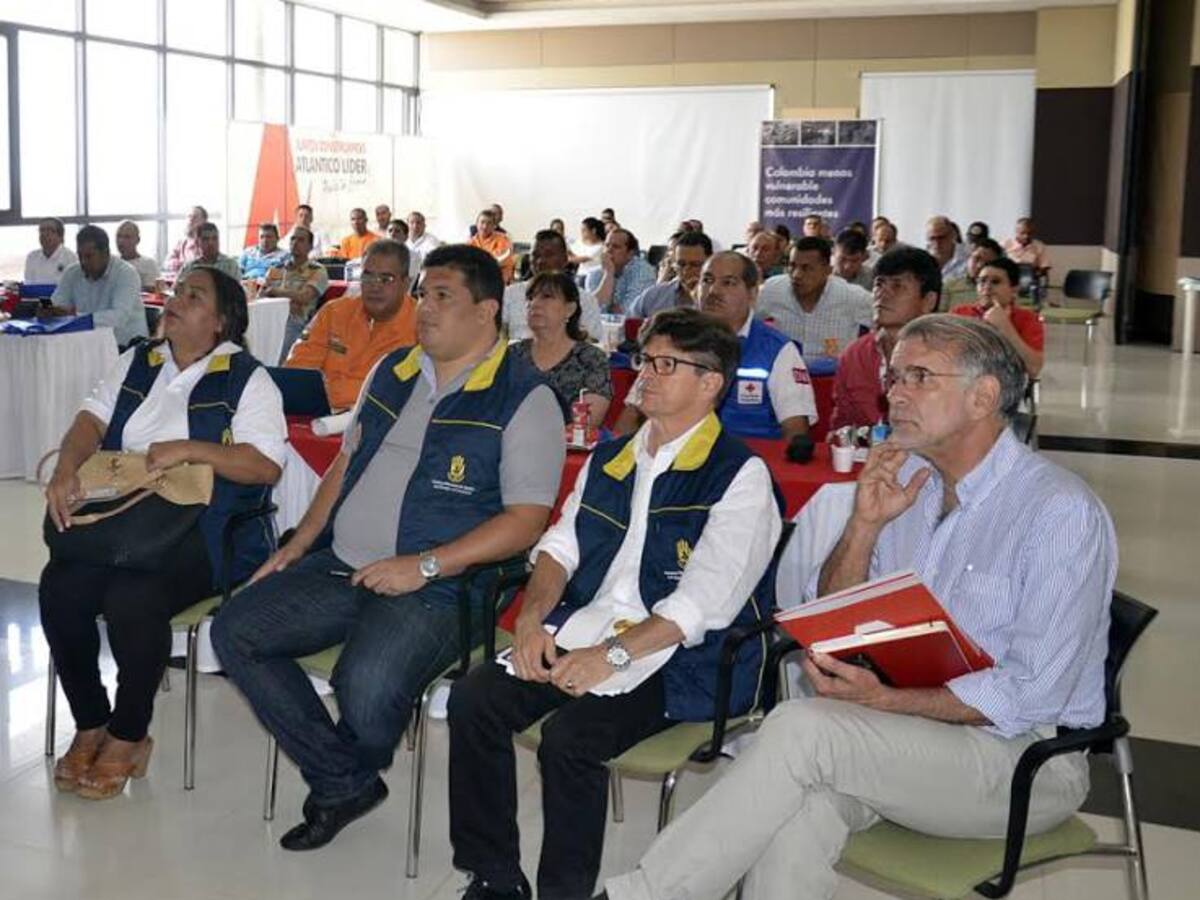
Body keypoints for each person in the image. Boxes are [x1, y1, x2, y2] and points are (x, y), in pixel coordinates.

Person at [605, 314, 1115, 900]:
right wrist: (865, 525)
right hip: (911, 733)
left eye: (918, 377)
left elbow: (1033, 694)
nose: (893, 394)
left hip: (1025, 759)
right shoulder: (912, 482)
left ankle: (642, 895)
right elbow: (836, 615)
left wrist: (886, 699)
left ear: (984, 397)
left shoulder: (1058, 512)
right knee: (797, 805)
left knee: (802, 730)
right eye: (894, 377)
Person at [212, 244, 564, 852]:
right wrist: (297, 545)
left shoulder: (524, 396)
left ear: (486, 311)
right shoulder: (393, 370)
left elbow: (527, 521)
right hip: (343, 564)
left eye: (442, 296)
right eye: (423, 294)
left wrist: (423, 565)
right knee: (235, 628)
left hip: (442, 586)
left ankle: (343, 770)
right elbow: (343, 466)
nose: (424, 308)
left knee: (366, 685)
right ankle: (343, 780)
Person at [448, 307, 782, 900]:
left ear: (711, 383)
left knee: (571, 741)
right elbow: (560, 546)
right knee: (475, 698)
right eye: (644, 360)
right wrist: (529, 619)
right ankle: (494, 873)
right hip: (591, 627)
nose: (645, 375)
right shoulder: (612, 456)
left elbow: (705, 603)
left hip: (684, 658)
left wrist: (613, 657)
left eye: (664, 364)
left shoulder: (740, 476)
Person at [41, 266, 285, 801]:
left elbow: (265, 467)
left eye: (194, 296)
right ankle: (91, 722)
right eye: (177, 291)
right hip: (122, 518)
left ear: (221, 322)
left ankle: (129, 735)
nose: (176, 300)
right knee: (59, 586)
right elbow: (90, 422)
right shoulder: (137, 359)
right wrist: (66, 468)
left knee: (134, 596)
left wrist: (194, 450)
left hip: (204, 529)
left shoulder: (248, 378)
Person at [284, 239, 417, 409]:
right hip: (320, 416)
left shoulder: (423, 325)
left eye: (386, 279)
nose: (374, 286)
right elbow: (297, 370)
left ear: (406, 284)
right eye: (367, 276)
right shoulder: (333, 312)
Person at [700, 251, 816, 440]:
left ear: (752, 293)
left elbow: (795, 428)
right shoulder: (676, 342)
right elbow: (636, 411)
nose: (713, 291)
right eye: (707, 280)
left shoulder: (778, 350)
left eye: (728, 283)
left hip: (750, 460)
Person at [830, 246, 940, 431]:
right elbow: (842, 423)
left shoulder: (946, 357)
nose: (882, 293)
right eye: (879, 284)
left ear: (928, 301)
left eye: (897, 286)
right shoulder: (855, 355)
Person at [509, 271, 612, 427]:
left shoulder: (591, 358)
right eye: (531, 298)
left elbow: (587, 423)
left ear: (570, 309)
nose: (534, 304)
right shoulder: (513, 354)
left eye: (547, 297)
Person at [756, 237, 873, 359]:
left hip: (835, 374)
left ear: (827, 270)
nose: (797, 275)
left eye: (806, 268)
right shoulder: (772, 290)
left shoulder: (854, 297)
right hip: (784, 371)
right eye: (792, 266)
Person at [45, 226, 147, 349]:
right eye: (80, 255)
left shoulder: (126, 273)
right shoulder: (72, 272)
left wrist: (77, 317)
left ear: (106, 253)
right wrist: (48, 310)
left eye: (89, 256)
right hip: (87, 345)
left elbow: (119, 317)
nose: (83, 262)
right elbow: (57, 303)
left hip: (125, 347)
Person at [952, 256, 1044, 377]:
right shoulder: (960, 313)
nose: (987, 287)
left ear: (1014, 290)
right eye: (982, 281)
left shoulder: (1028, 319)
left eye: (995, 281)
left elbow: (1034, 369)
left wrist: (1005, 327)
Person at [502, 230, 602, 341]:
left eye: (548, 255)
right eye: (535, 255)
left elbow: (594, 342)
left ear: (565, 260)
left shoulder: (585, 300)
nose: (540, 261)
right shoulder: (510, 295)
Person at [261, 225, 330, 364]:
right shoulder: (276, 269)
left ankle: (276, 372)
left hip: (298, 321)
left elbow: (305, 297)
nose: (295, 243)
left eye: (301, 240)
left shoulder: (317, 271)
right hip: (270, 318)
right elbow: (261, 295)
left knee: (284, 334)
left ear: (310, 246)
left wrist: (276, 292)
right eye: (293, 239)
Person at [628, 231, 712, 318]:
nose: (686, 271)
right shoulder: (655, 296)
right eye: (681, 264)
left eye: (695, 265)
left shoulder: (718, 299)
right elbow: (627, 323)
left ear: (710, 264)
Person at [585, 228, 657, 314]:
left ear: (630, 254)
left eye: (616, 247)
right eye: (607, 245)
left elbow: (629, 312)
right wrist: (608, 274)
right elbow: (592, 310)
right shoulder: (595, 273)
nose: (609, 250)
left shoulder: (643, 271)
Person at [940, 238, 1004, 311]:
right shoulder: (949, 287)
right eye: (977, 258)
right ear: (968, 258)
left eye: (987, 263)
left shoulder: (1003, 290)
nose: (980, 265)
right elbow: (938, 317)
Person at [25, 218, 78, 285]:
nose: (44, 234)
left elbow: (74, 287)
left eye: (50, 230)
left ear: (61, 237)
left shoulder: (71, 258)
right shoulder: (32, 257)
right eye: (42, 230)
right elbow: (28, 285)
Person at [469, 208, 516, 285]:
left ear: (494, 226)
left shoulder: (503, 240)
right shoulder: (471, 242)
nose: (484, 226)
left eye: (489, 223)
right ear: (477, 224)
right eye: (482, 222)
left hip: (498, 280)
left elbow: (498, 261)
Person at [115, 221, 161, 290]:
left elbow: (152, 290)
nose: (121, 241)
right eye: (119, 236)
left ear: (137, 240)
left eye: (127, 237)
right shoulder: (111, 263)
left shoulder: (149, 264)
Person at [164, 206, 207, 275]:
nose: (190, 220)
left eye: (195, 217)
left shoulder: (208, 242)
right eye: (189, 216)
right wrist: (183, 265)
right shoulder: (181, 243)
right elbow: (167, 263)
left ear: (204, 221)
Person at [926, 215, 968, 281]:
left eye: (941, 238)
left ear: (953, 235)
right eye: (932, 238)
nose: (937, 243)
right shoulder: (922, 260)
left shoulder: (969, 257)